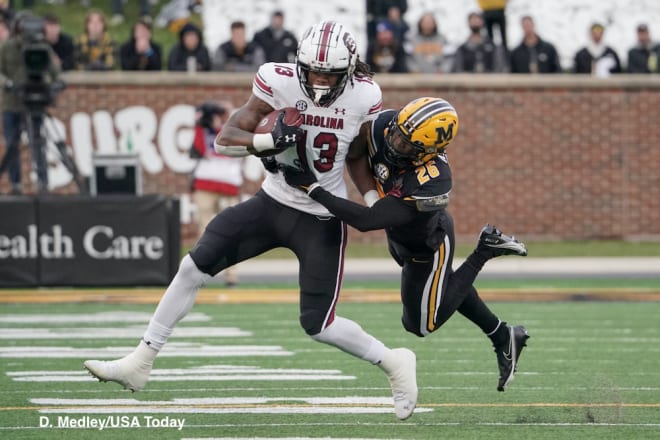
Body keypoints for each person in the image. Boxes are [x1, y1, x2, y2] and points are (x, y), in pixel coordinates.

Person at [83, 20, 419, 421]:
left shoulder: (365, 95)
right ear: (299, 64)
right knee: (193, 266)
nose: (320, 82)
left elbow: (357, 156)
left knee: (318, 324)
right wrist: (265, 142)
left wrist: (370, 201)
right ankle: (140, 361)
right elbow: (227, 136)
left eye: (330, 74)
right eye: (313, 71)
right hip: (271, 202)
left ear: (348, 71)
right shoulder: (276, 80)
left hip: (321, 216)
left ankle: (395, 361)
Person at [282, 97, 530, 392]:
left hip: (427, 247)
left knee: (422, 325)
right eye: (397, 134)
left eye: (405, 143)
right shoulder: (385, 125)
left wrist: (313, 188)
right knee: (444, 287)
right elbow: (356, 155)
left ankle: (484, 251)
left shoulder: (434, 181)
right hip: (401, 237)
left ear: (430, 151)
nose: (395, 143)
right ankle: (503, 335)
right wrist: (371, 193)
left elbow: (367, 221)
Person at [189, 100, 257, 286]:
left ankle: (231, 274)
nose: (221, 115)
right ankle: (199, 273)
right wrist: (202, 122)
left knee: (232, 232)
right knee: (204, 231)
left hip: (229, 184)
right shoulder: (204, 129)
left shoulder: (238, 126)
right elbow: (198, 149)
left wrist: (223, 125)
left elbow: (241, 145)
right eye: (219, 112)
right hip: (205, 183)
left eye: (225, 112)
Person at [0, 12, 60, 194]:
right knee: (12, 144)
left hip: (35, 101)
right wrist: (8, 84)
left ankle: (43, 182)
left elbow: (54, 71)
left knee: (38, 143)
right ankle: (15, 184)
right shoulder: (6, 47)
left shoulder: (43, 47)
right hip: (12, 103)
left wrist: (51, 83)